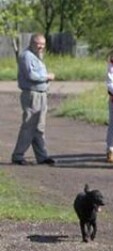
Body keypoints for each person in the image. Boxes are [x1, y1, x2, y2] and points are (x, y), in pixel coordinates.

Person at [11, 33, 56, 166]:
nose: (41, 46)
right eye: (38, 44)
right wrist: (47, 77)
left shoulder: (37, 57)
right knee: (29, 126)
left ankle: (42, 156)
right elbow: (31, 75)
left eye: (43, 44)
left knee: (39, 127)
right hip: (32, 95)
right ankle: (18, 156)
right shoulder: (26, 56)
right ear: (32, 43)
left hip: (41, 94)